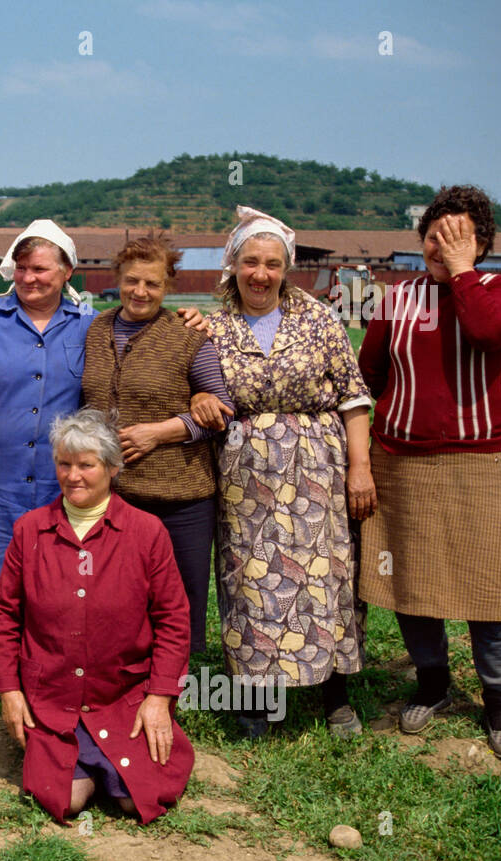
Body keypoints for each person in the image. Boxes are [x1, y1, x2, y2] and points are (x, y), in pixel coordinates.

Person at [0, 220, 206, 727]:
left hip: (60, 481)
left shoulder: (90, 325)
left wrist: (190, 325)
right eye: (21, 268)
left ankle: (37, 677)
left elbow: (145, 324)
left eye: (41, 268)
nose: (30, 278)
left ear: (66, 272)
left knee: (52, 589)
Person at [357, 185, 501, 760]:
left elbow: (487, 332)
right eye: (435, 234)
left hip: (476, 464)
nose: (442, 244)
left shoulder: (497, 291)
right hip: (401, 464)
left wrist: (460, 273)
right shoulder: (396, 298)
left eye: (458, 236)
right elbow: (369, 374)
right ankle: (433, 683)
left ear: (481, 245)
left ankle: (500, 699)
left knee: (490, 585)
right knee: (412, 581)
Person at [201, 206, 375, 738]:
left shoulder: (318, 319)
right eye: (250, 262)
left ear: (287, 267)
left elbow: (353, 394)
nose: (261, 274)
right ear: (232, 264)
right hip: (244, 474)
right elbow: (196, 386)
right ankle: (256, 700)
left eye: (272, 264)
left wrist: (361, 468)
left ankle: (335, 694)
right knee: (251, 580)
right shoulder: (210, 325)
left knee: (326, 576)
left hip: (318, 469)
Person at [0, 409, 194, 823]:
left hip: (123, 697)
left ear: (113, 468)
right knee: (67, 799)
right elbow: (4, 614)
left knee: (139, 800)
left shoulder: (147, 532)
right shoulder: (30, 530)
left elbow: (173, 619)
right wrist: (10, 691)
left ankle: (113, 759)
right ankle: (77, 759)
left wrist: (159, 698)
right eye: (64, 464)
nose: (73, 475)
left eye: (86, 465)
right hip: (53, 699)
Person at [81, 234, 234, 654]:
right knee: (119, 600)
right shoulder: (96, 329)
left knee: (177, 601)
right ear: (117, 280)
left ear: (167, 285)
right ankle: (126, 686)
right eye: (132, 281)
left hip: (180, 498)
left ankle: (174, 694)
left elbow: (222, 410)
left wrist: (159, 431)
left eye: (152, 283)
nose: (141, 292)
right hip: (115, 497)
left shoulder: (187, 336)